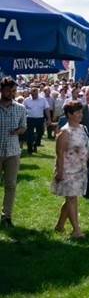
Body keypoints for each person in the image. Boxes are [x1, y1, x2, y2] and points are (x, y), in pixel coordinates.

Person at [51, 100, 89, 238]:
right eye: (77, 112)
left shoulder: (83, 128)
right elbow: (59, 153)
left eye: (81, 111)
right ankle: (76, 230)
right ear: (69, 114)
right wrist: (59, 171)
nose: (81, 114)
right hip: (68, 170)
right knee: (72, 198)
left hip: (81, 169)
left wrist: (88, 157)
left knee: (71, 198)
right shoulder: (65, 132)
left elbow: (85, 145)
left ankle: (59, 226)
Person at [1, 77, 27, 227]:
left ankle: (6, 216)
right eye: (7, 90)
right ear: (1, 90)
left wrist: (18, 131)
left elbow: (24, 127)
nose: (10, 93)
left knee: (10, 185)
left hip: (12, 151)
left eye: (13, 91)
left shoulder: (20, 108)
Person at [23, 85, 51, 154]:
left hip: (40, 119)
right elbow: (23, 110)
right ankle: (30, 149)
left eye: (35, 94)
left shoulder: (43, 100)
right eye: (32, 94)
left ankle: (36, 143)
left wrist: (49, 119)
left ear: (38, 93)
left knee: (41, 132)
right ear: (30, 93)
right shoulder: (26, 100)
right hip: (30, 118)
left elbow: (47, 109)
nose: (34, 95)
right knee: (30, 134)